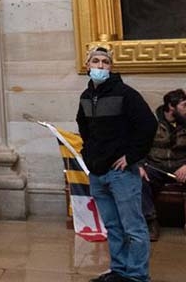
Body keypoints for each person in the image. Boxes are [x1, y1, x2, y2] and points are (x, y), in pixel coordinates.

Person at [76, 46, 156, 282]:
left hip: (121, 173)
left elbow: (148, 125)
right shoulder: (86, 97)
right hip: (98, 172)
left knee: (134, 228)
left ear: (111, 67)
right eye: (96, 62)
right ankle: (119, 271)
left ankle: (137, 276)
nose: (100, 66)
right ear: (88, 65)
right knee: (112, 226)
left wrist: (132, 157)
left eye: (105, 62)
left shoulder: (126, 94)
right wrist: (88, 153)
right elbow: (84, 127)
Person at [140, 89, 186, 242]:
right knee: (140, 180)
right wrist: (140, 166)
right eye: (184, 105)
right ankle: (150, 221)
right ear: (171, 106)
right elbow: (139, 147)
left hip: (181, 166)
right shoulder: (151, 122)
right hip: (156, 166)